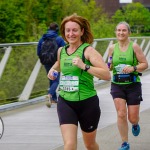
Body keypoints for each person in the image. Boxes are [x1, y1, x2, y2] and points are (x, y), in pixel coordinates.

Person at [47, 13, 111, 150]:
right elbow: (59, 63)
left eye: (74, 30)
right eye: (67, 30)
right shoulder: (61, 50)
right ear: (64, 33)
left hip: (87, 103)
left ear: (82, 31)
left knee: (90, 145)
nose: (71, 34)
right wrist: (52, 71)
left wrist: (85, 66)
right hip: (65, 101)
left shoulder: (88, 51)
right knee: (69, 145)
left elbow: (106, 75)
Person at [108, 21, 148, 150]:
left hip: (133, 85)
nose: (121, 33)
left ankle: (135, 124)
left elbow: (145, 64)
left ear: (129, 32)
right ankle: (125, 142)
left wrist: (133, 67)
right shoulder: (112, 48)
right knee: (121, 113)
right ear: (115, 32)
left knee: (132, 117)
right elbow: (109, 64)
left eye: (124, 30)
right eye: (118, 30)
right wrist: (108, 65)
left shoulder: (134, 47)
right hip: (117, 84)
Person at [37, 22, 66, 107]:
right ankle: (49, 95)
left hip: (46, 61)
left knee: (51, 78)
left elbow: (38, 51)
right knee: (56, 80)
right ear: (57, 30)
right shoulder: (59, 39)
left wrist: (43, 59)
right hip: (55, 62)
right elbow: (64, 51)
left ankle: (53, 99)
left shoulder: (43, 39)